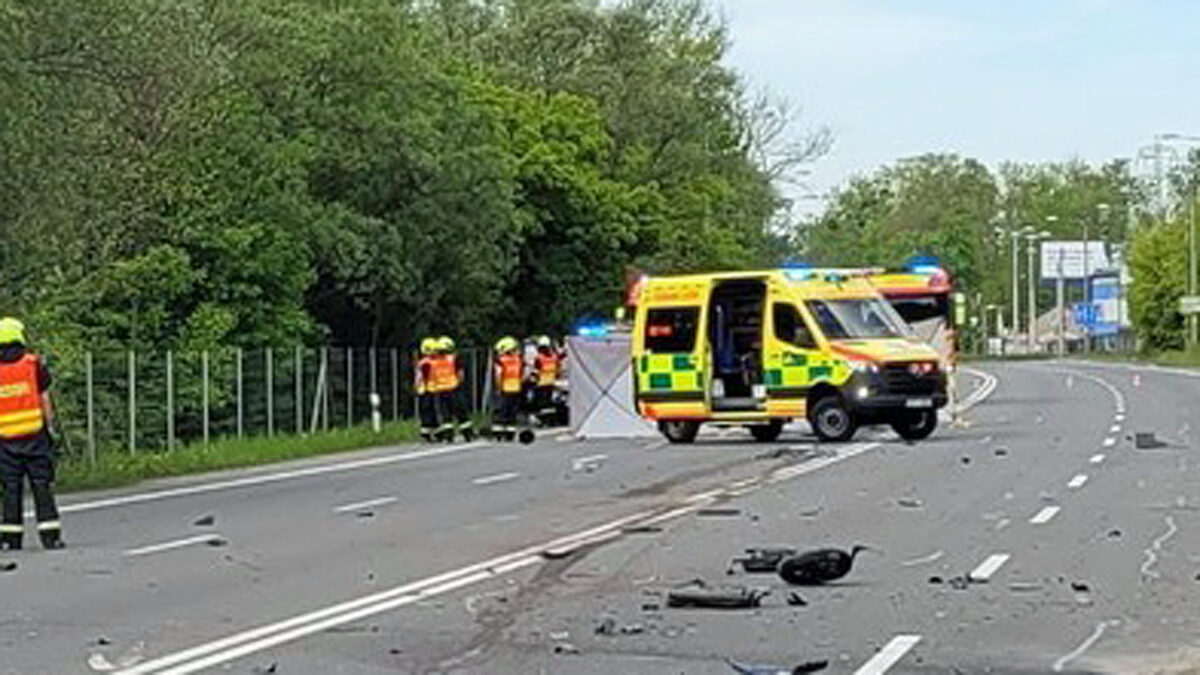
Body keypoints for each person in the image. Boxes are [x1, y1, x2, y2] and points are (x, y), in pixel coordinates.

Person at [0, 317, 63, 550]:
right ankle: (50, 537)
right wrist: (51, 427)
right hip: (35, 437)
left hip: (5, 440)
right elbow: (44, 398)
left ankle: (10, 539)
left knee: (10, 489)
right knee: (42, 486)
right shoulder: (33, 364)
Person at [434, 337, 475, 442]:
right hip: (454, 389)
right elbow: (461, 375)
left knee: (445, 414)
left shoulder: (434, 361)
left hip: (440, 390)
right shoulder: (454, 358)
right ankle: (467, 433)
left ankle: (448, 435)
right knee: (461, 412)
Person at [491, 337, 524, 441]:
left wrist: (497, 387)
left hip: (504, 389)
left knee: (501, 411)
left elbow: (498, 375)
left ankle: (499, 433)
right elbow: (522, 375)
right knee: (512, 412)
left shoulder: (501, 361)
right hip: (516, 389)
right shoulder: (518, 359)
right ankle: (510, 433)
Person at [414, 337, 441, 442]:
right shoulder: (427, 363)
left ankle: (429, 431)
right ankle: (431, 431)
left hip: (424, 389)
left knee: (427, 411)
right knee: (430, 410)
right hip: (429, 389)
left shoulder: (422, 362)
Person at [531, 335, 561, 423]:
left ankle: (545, 420)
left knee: (545, 404)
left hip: (544, 383)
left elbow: (536, 370)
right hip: (549, 383)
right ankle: (547, 420)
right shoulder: (554, 357)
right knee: (547, 404)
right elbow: (558, 369)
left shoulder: (539, 358)